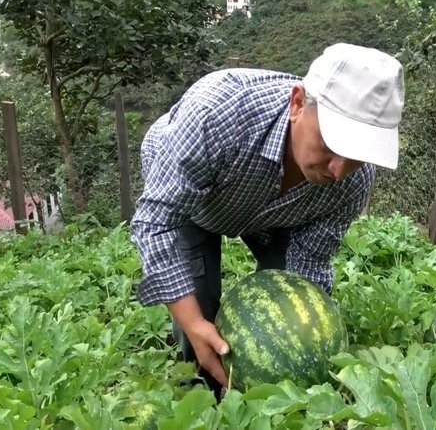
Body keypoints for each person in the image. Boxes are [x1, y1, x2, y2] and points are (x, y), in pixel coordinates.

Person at [130, 43, 405, 398]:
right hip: (196, 201)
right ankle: (200, 397)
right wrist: (195, 323)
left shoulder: (352, 181)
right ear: (297, 104)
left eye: (356, 155)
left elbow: (307, 264)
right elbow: (156, 224)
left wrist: (303, 343)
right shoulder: (217, 115)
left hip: (275, 213)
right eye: (331, 144)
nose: (338, 170)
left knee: (287, 304)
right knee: (197, 307)